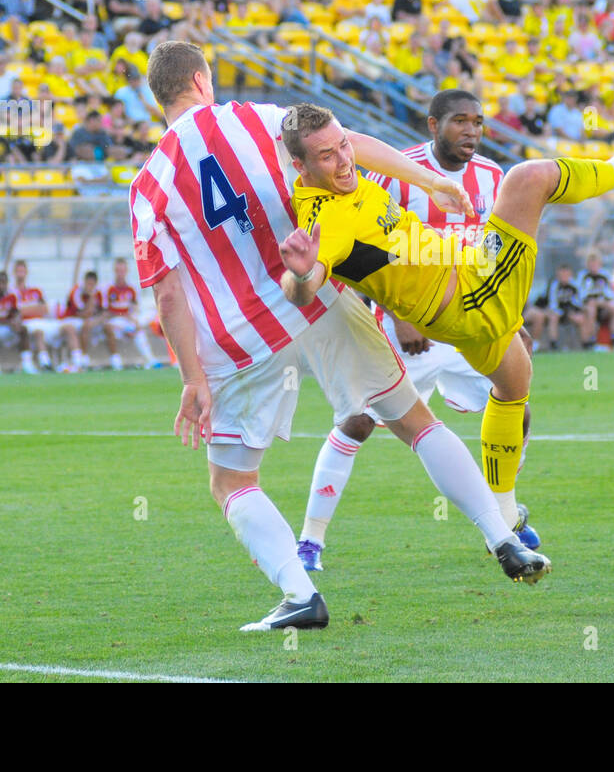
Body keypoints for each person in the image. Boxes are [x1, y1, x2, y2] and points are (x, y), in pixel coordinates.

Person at [129, 41, 550, 631]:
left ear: (159, 98)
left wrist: (192, 379)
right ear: (202, 80)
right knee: (416, 421)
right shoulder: (251, 117)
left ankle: (300, 595)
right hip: (320, 296)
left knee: (231, 480)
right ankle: (505, 539)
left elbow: (167, 291)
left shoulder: (148, 183)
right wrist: (425, 181)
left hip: (243, 336)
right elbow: (347, 141)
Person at [277, 96, 614, 550]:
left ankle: (503, 522)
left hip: (467, 284)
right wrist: (301, 275)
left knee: (515, 383)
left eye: (343, 146)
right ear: (300, 166)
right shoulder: (327, 220)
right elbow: (306, 283)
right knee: (529, 177)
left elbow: (358, 146)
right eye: (328, 156)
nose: (345, 160)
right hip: (467, 299)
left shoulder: (336, 167)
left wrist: (427, 180)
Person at [294, 89, 539, 573]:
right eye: (459, 122)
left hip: (469, 310)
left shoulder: (492, 175)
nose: (470, 131)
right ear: (433, 125)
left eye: (477, 123)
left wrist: (511, 318)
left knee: (517, 396)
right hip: (414, 326)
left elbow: (490, 251)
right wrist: (402, 318)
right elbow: (366, 243)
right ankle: (310, 541)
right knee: (359, 423)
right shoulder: (396, 167)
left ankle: (504, 513)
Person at [101, 257, 159, 371]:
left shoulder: (132, 288)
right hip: (115, 320)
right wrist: (123, 317)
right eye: (118, 271)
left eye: (123, 271)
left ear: (126, 271)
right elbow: (105, 312)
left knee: (139, 327)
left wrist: (133, 319)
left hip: (128, 320)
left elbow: (135, 307)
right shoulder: (107, 288)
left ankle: (150, 360)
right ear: (114, 271)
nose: (120, 274)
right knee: (109, 326)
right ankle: (116, 361)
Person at [0, 269, 36, 374]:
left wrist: (16, 321)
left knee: (23, 330)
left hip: (8, 326)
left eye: (3, 283)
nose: (1, 285)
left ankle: (27, 363)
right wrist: (7, 321)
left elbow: (17, 312)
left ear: (7, 283)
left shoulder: (13, 293)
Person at [11, 259, 58, 371]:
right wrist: (35, 309)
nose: (20, 274)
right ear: (14, 273)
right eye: (18, 271)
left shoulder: (36, 291)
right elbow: (16, 312)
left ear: (26, 272)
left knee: (41, 330)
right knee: (38, 332)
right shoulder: (11, 292)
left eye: (22, 271)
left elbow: (45, 309)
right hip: (24, 324)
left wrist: (25, 309)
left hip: (41, 322)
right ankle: (45, 362)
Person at [576, 251, 614, 350]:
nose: (593, 266)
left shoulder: (605, 275)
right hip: (588, 305)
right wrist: (593, 300)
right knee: (591, 307)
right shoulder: (583, 276)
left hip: (602, 304)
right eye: (591, 264)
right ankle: (592, 339)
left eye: (595, 264)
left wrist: (603, 301)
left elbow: (609, 293)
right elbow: (581, 294)